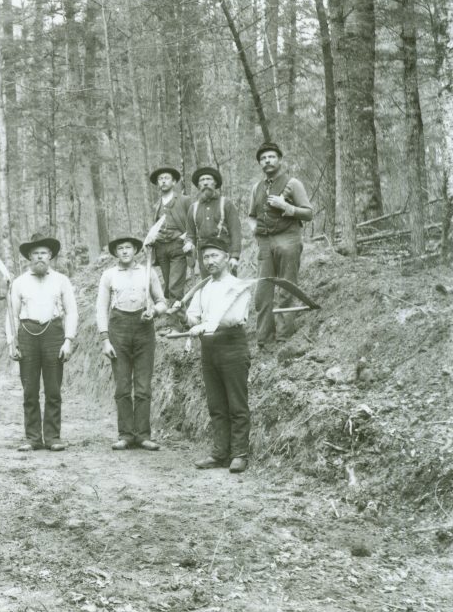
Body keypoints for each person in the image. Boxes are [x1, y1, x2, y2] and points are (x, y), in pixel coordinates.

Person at [185, 238, 254, 474]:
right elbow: (192, 314)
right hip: (209, 349)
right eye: (206, 257)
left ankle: (239, 454)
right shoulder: (204, 288)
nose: (210, 261)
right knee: (216, 403)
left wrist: (204, 325)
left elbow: (233, 318)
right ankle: (220, 453)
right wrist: (195, 321)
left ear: (226, 257)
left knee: (236, 402)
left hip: (232, 346)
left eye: (215, 256)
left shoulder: (239, 285)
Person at [6, 233, 78, 452]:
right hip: (27, 334)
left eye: (44, 253)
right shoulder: (18, 283)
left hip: (54, 333)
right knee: (30, 389)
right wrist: (12, 342)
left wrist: (68, 340)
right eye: (36, 253)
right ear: (29, 256)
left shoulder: (61, 280)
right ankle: (33, 438)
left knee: (53, 389)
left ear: (51, 256)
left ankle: (53, 437)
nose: (40, 257)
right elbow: (11, 315)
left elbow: (72, 311)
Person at [96, 236, 168, 451]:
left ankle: (143, 435)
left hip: (144, 329)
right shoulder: (109, 275)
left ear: (136, 250)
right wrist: (105, 338)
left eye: (128, 248)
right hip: (119, 329)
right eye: (120, 248)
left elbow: (163, 303)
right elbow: (101, 308)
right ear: (116, 252)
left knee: (143, 385)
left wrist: (154, 311)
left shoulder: (148, 272)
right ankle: (126, 434)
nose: (125, 251)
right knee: (123, 386)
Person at [248, 142, 313, 347]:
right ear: (260, 163)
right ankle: (264, 340)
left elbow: (308, 213)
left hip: (288, 238)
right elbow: (251, 216)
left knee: (286, 287)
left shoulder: (293, 183)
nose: (267, 161)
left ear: (279, 160)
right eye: (263, 158)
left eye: (271, 157)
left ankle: (284, 337)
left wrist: (286, 206)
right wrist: (254, 229)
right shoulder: (257, 187)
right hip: (265, 242)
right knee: (262, 292)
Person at [186, 166, 242, 278]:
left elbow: (235, 232)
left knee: (228, 287)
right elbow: (190, 234)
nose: (205, 183)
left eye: (209, 179)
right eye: (202, 180)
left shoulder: (226, 204)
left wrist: (234, 256)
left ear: (215, 183)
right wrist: (189, 243)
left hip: (224, 252)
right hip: (204, 255)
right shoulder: (193, 208)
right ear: (198, 186)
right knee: (208, 287)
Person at [148, 166, 192, 308]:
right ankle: (181, 316)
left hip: (178, 246)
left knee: (175, 285)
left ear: (174, 182)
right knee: (168, 285)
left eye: (166, 178)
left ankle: (174, 322)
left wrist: (187, 238)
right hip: (160, 247)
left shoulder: (185, 200)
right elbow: (154, 227)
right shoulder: (156, 206)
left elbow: (193, 222)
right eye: (160, 179)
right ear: (157, 184)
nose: (163, 181)